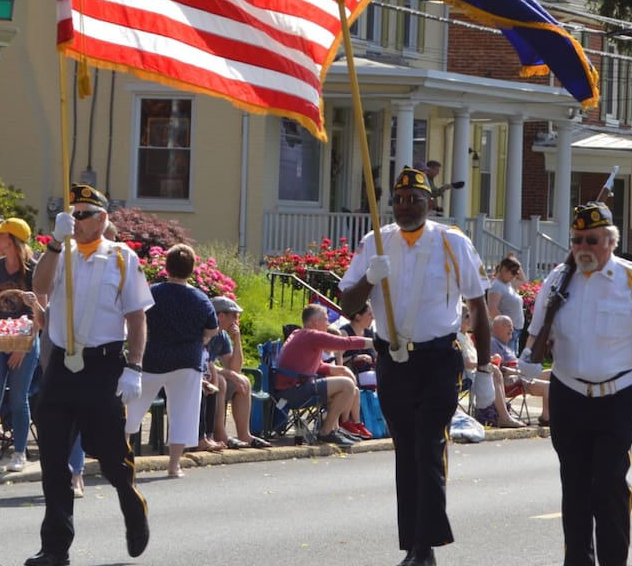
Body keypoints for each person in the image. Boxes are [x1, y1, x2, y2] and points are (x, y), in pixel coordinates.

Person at [338, 166, 494, 566]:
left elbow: (477, 306)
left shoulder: (451, 242)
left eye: (415, 200)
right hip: (393, 360)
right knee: (405, 451)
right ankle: (413, 544)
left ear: (431, 203)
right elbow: (347, 306)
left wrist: (484, 371)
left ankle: (426, 546)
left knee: (429, 446)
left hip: (438, 359)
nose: (406, 207)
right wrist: (370, 279)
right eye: (400, 200)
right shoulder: (376, 241)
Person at [519, 201, 632, 566]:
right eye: (576, 240)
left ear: (610, 241)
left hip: (617, 396)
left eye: (592, 240)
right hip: (569, 394)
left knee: (609, 485)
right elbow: (537, 331)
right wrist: (527, 357)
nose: (583, 248)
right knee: (574, 486)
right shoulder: (558, 279)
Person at [25, 184, 153, 566]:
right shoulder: (60, 253)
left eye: (83, 214)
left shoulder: (120, 257)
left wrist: (134, 367)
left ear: (101, 219)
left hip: (103, 365)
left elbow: (137, 315)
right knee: (52, 457)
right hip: (63, 366)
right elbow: (40, 287)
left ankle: (132, 504)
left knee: (109, 454)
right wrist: (53, 242)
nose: (76, 220)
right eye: (73, 214)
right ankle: (55, 547)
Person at [124, 243, 217, 477]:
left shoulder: (152, 292)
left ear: (166, 267)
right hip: (187, 360)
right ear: (192, 268)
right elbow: (211, 329)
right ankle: (174, 465)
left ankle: (121, 459)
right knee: (182, 412)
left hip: (151, 357)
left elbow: (133, 318)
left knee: (132, 409)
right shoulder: (201, 299)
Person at [0, 217, 43, 474]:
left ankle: (19, 452)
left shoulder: (34, 270)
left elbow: (40, 313)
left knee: (18, 398)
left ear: (12, 240)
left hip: (24, 340)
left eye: (1, 234)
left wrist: (23, 346)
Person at [275, 303, 373, 448]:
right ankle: (326, 432)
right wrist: (375, 343)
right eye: (326, 319)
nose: (328, 323)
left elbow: (316, 366)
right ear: (315, 322)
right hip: (293, 391)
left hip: (293, 387)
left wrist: (338, 369)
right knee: (346, 385)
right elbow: (345, 343)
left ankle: (335, 429)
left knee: (344, 383)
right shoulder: (311, 335)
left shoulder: (300, 334)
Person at [208, 296, 271, 448]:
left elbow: (234, 368)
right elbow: (202, 362)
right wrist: (227, 373)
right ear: (221, 316)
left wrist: (237, 340)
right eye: (234, 316)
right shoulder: (205, 331)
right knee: (221, 380)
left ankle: (244, 434)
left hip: (213, 375)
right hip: (200, 377)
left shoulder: (222, 335)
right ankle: (220, 434)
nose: (237, 320)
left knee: (244, 381)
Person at [491, 315, 550, 425]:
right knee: (549, 386)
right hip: (513, 381)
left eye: (512, 327)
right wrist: (518, 372)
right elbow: (498, 367)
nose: (512, 330)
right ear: (497, 327)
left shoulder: (506, 346)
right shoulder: (493, 343)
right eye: (508, 326)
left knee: (552, 374)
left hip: (523, 375)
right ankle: (546, 418)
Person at [487, 255, 525, 353]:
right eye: (512, 272)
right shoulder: (496, 286)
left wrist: (516, 263)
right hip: (505, 333)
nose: (515, 275)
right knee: (507, 362)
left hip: (514, 332)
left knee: (512, 361)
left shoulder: (508, 284)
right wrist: (506, 327)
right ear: (504, 269)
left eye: (516, 272)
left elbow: (523, 280)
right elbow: (492, 310)